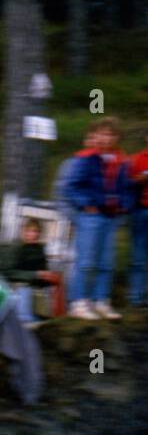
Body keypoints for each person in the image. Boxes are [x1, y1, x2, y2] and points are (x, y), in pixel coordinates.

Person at [65, 117, 134, 320]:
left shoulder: (122, 160)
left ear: (118, 137)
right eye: (103, 133)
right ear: (95, 135)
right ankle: (78, 302)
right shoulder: (85, 158)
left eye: (111, 134)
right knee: (86, 260)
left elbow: (128, 188)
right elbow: (72, 186)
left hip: (111, 217)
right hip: (91, 216)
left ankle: (101, 301)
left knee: (106, 262)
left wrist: (125, 206)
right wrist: (86, 204)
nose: (107, 138)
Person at [0, 219, 59, 324]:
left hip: (35, 290)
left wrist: (48, 277)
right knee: (24, 291)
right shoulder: (14, 248)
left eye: (36, 232)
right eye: (30, 231)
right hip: (17, 288)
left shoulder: (39, 250)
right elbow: (8, 272)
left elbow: (44, 269)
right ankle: (25, 321)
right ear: (24, 232)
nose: (33, 235)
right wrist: (35, 275)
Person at [130, 128, 148, 307]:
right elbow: (127, 182)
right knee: (138, 257)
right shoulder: (137, 159)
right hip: (140, 211)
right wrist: (140, 179)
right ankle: (136, 298)